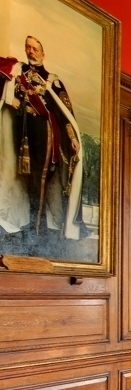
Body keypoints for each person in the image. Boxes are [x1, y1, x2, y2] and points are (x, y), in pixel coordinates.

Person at [0, 35, 83, 240]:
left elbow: (66, 113)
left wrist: (72, 137)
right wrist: (11, 100)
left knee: (40, 181)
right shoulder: (18, 73)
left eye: (35, 48)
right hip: (23, 135)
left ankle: (38, 228)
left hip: (45, 136)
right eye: (28, 47)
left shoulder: (52, 80)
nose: (31, 51)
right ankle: (28, 223)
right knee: (25, 182)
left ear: (43, 53)